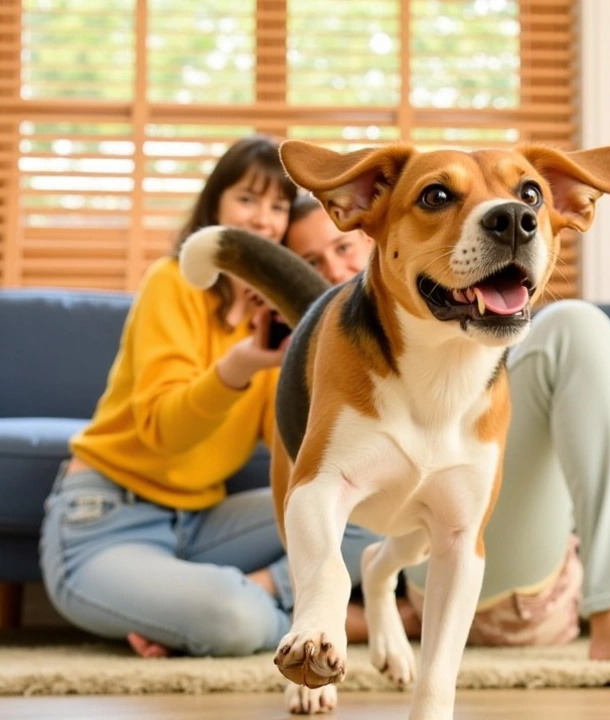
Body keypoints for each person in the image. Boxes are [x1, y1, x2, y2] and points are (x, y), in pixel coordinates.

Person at [283, 193, 610, 664]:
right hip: (421, 574)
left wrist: (587, 391)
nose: (333, 270)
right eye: (311, 261)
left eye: (341, 249)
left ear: (366, 237)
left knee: (578, 325)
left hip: (533, 585)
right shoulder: (311, 366)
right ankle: (389, 587)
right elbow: (310, 500)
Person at [37, 136, 399, 660]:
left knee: (369, 513)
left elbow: (294, 451)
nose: (263, 220)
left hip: (204, 522)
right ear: (215, 206)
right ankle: (326, 619)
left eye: (277, 206)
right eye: (247, 200)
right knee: (231, 618)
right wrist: (243, 363)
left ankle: (249, 593)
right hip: (105, 519)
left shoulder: (280, 323)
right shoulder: (173, 283)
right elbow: (164, 431)